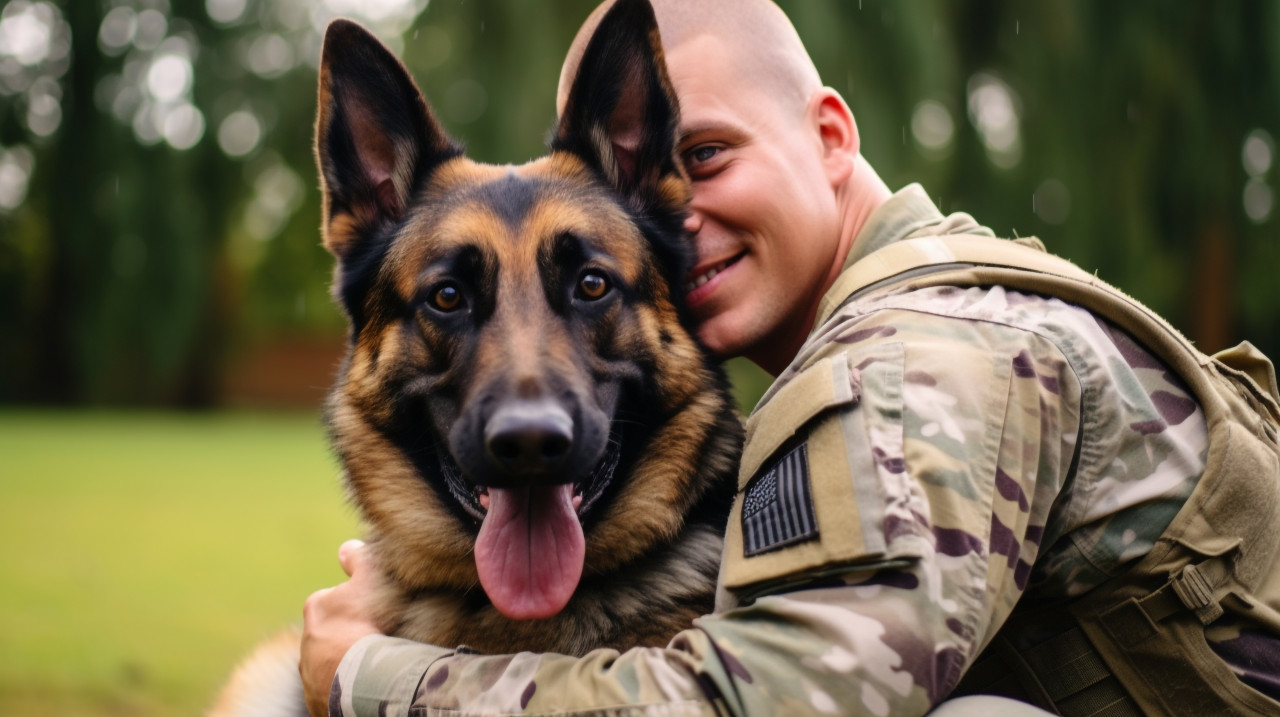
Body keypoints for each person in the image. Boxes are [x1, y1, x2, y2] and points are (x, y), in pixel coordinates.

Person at [299, 1, 1280, 715]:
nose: (673, 214)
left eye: (704, 157)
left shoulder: (912, 363)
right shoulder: (934, 298)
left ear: (830, 136)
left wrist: (369, 676)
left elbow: (782, 703)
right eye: (652, 170)